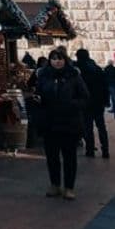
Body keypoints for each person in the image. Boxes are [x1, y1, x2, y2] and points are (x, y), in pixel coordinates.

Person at [32, 47, 89, 199]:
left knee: (69, 156)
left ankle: (69, 187)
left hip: (69, 123)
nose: (57, 62)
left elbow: (84, 97)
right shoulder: (44, 76)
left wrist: (72, 104)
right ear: (50, 61)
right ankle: (55, 184)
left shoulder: (73, 76)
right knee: (52, 157)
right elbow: (38, 93)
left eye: (60, 59)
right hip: (50, 123)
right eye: (54, 59)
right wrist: (38, 99)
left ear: (65, 60)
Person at [75, 49, 110, 158]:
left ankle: (90, 150)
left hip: (86, 103)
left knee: (88, 127)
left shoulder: (78, 70)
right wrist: (106, 100)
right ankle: (105, 150)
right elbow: (105, 86)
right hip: (98, 102)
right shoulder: (97, 68)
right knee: (101, 127)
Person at [105, 53, 115, 121]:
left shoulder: (106, 68)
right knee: (114, 98)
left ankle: (114, 110)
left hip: (110, 85)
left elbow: (104, 77)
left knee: (113, 99)